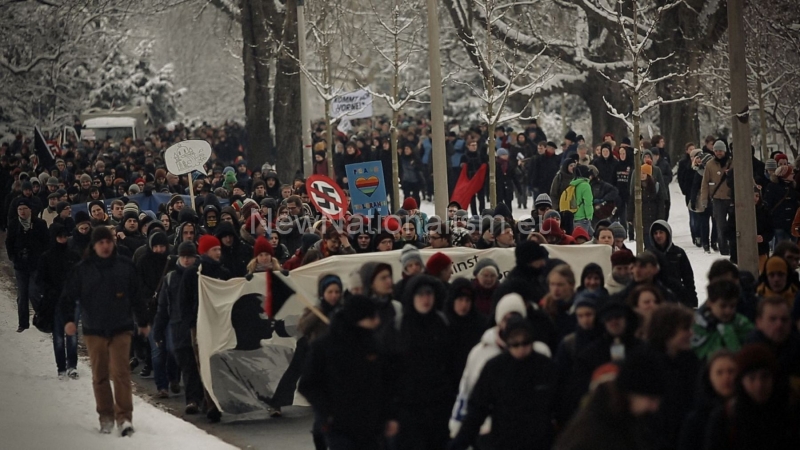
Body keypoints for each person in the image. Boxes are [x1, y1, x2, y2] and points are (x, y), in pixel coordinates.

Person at [60, 227, 149, 436]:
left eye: (108, 242)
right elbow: (67, 297)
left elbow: (137, 296)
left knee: (121, 372)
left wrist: (143, 321)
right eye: (101, 242)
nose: (105, 246)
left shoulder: (125, 266)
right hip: (94, 329)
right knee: (100, 375)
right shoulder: (83, 269)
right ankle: (106, 416)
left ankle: (124, 417)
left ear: (113, 243)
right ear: (94, 245)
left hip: (121, 327)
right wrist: (69, 321)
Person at [299, 295, 397, 449]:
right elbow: (308, 384)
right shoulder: (325, 347)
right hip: (339, 426)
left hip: (371, 426)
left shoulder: (374, 344)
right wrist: (327, 413)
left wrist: (390, 416)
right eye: (372, 317)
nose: (377, 321)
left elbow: (387, 382)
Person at [449, 317, 557, 450]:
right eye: (515, 344)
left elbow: (560, 407)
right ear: (507, 344)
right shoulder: (495, 369)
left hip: (540, 443)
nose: (521, 349)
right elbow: (477, 410)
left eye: (525, 343)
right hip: (505, 442)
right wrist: (458, 444)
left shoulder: (545, 367)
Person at [554, 348, 667, 450]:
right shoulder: (594, 432)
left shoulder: (626, 419)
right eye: (651, 399)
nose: (655, 407)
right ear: (632, 392)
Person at [394, 276, 455, 450]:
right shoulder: (400, 325)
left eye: (429, 294)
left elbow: (450, 361)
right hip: (409, 407)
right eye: (420, 295)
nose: (425, 299)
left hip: (439, 403)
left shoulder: (441, 322)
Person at [704, 344, 800, 450]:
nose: (759, 385)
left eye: (765, 376)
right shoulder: (726, 417)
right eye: (751, 378)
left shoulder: (789, 412)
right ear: (741, 381)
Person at [179, 234, 231, 422]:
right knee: (204, 363)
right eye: (214, 249)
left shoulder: (223, 272)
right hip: (199, 325)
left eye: (219, 249)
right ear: (205, 251)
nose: (219, 252)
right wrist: (190, 324)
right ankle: (211, 404)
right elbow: (184, 302)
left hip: (218, 324)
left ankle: (217, 400)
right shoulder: (192, 274)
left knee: (218, 362)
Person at [153, 241, 203, 415]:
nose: (186, 260)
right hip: (178, 326)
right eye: (183, 257)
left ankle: (198, 399)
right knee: (187, 365)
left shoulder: (200, 275)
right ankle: (192, 399)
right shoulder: (171, 278)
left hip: (199, 325)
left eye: (189, 257)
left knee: (199, 365)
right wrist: (158, 331)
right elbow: (163, 306)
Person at [646, 304, 700, 450]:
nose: (690, 334)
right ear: (668, 330)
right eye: (685, 329)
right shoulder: (647, 363)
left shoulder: (690, 360)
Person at [37, 223, 82, 379]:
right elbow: (40, 280)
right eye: (59, 236)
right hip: (54, 301)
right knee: (57, 336)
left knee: (72, 334)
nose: (62, 239)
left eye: (65, 236)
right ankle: (61, 367)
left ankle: (72, 365)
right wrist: (50, 291)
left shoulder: (74, 256)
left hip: (72, 300)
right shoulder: (46, 257)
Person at [678, 350, 739, 450]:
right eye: (719, 373)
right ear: (709, 377)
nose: (726, 377)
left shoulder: (747, 412)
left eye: (731, 371)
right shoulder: (695, 420)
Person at [6, 198, 48, 332]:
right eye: (20, 209)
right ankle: (23, 323)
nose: (22, 212)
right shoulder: (13, 224)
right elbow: (9, 242)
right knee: (22, 295)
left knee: (34, 292)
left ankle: (42, 317)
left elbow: (46, 242)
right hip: (20, 265)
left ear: (30, 209)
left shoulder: (40, 224)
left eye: (24, 209)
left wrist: (42, 258)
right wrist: (13, 257)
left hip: (35, 264)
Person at [692, 280, 754, 361]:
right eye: (723, 306)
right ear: (710, 303)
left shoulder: (742, 324)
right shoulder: (697, 326)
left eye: (732, 306)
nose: (728, 311)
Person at [649, 220, 697, 307]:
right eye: (655, 233)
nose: (658, 236)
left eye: (661, 232)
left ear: (667, 234)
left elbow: (688, 278)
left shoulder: (679, 253)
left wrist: (692, 300)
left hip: (676, 298)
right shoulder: (649, 254)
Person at [699, 140, 733, 255]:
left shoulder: (732, 162)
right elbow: (704, 183)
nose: (718, 153)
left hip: (732, 197)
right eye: (716, 151)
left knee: (733, 224)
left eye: (721, 150)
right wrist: (704, 199)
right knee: (720, 225)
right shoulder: (710, 165)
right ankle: (723, 248)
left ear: (725, 151)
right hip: (717, 199)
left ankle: (733, 246)